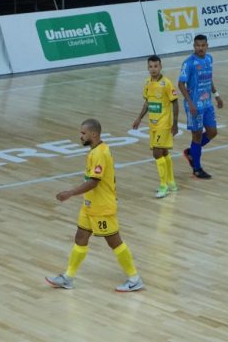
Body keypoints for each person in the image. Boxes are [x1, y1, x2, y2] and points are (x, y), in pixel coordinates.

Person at [46, 119, 144, 292]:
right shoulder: (95, 151)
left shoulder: (100, 153)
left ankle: (135, 279)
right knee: (80, 238)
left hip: (102, 207)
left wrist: (70, 193)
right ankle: (68, 277)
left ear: (94, 134)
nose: (80, 136)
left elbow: (93, 182)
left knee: (114, 242)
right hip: (89, 205)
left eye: (83, 133)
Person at [132, 55, 179, 198]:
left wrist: (175, 123)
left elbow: (175, 103)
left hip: (163, 123)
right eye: (150, 66)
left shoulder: (167, 83)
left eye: (156, 66)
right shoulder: (147, 82)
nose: (153, 69)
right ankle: (171, 183)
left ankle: (163, 186)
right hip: (152, 123)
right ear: (148, 68)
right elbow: (147, 103)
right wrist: (139, 118)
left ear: (161, 67)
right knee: (164, 152)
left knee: (156, 153)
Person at [178, 34, 223, 179]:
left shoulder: (209, 59)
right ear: (194, 46)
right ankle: (197, 169)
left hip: (207, 103)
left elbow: (209, 79)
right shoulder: (189, 63)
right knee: (197, 135)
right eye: (197, 45)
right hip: (194, 106)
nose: (200, 48)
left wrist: (216, 94)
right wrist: (190, 103)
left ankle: (191, 152)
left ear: (207, 46)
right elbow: (181, 84)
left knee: (212, 132)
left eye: (203, 45)